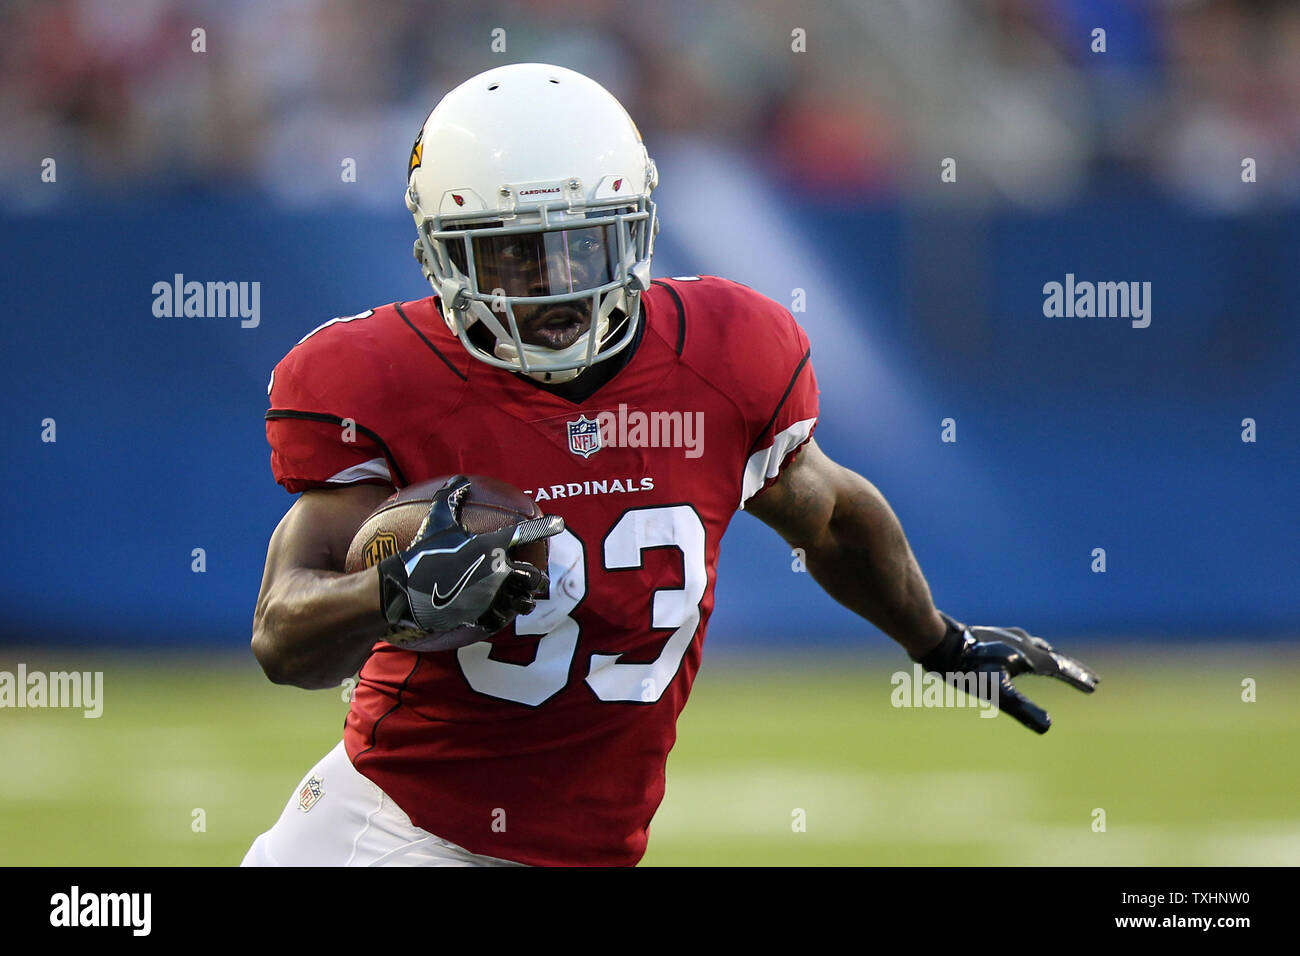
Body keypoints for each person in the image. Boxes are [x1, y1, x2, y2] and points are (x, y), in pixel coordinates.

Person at [242, 63, 1098, 867]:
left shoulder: (720, 361)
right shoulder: (382, 379)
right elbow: (282, 635)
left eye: (583, 245)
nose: (555, 288)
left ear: (638, 230)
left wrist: (941, 644)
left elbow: (832, 517)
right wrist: (390, 591)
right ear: (440, 255)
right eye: (514, 254)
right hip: (397, 833)